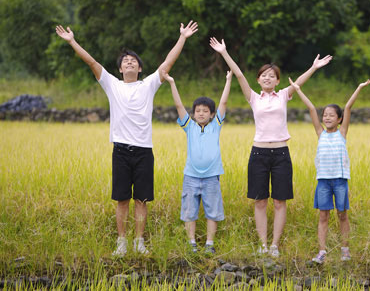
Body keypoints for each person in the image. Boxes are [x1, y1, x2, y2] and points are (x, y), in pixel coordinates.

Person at [55, 21, 198, 256]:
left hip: (144, 150)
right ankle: (122, 241)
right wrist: (72, 42)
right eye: (125, 61)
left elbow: (168, 63)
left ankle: (139, 241)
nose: (129, 62)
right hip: (121, 150)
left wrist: (182, 37)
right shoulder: (112, 85)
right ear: (120, 69)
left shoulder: (148, 84)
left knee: (142, 200)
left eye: (133, 61)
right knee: (121, 199)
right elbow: (91, 62)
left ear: (139, 68)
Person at [209, 37, 332, 257]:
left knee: (279, 201)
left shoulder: (283, 95)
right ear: (258, 80)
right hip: (258, 153)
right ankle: (262, 244)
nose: (268, 78)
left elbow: (298, 83)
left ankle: (274, 245)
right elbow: (238, 75)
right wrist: (224, 53)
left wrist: (313, 67)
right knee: (260, 201)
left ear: (277, 81)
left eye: (272, 76)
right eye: (264, 75)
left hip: (281, 153)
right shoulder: (253, 98)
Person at [288, 76, 370, 263]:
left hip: (340, 180)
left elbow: (349, 107)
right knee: (323, 216)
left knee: (342, 215)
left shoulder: (342, 133)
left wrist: (359, 87)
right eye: (325, 115)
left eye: (331, 115)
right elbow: (311, 108)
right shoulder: (320, 133)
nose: (326, 117)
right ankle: (322, 251)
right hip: (324, 181)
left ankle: (345, 250)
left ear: (339, 119)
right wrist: (298, 89)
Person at [162, 70, 232, 255]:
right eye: (198, 111)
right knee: (189, 210)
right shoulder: (189, 126)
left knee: (213, 211)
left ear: (212, 114)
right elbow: (178, 105)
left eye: (205, 111)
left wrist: (228, 80)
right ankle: (191, 242)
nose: (201, 114)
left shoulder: (216, 125)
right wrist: (171, 82)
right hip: (191, 177)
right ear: (193, 114)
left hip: (211, 177)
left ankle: (210, 243)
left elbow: (223, 102)